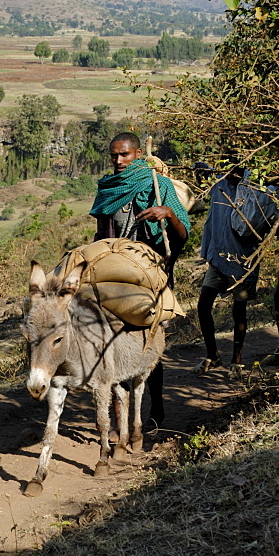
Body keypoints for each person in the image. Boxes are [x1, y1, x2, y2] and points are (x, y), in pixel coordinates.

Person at [90, 132, 191, 428]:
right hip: (113, 273)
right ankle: (119, 417)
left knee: (150, 338)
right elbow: (100, 233)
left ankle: (156, 406)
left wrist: (168, 213)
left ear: (137, 154)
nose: (119, 161)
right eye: (114, 156)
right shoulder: (108, 188)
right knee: (106, 339)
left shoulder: (155, 184)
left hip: (149, 273)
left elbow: (182, 233)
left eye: (125, 155)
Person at [193, 158, 278, 377]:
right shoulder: (218, 185)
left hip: (242, 262)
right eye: (228, 167)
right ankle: (213, 355)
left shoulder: (254, 191)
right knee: (203, 306)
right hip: (218, 258)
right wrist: (201, 166)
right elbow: (204, 170)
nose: (232, 172)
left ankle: (237, 361)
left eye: (236, 168)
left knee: (239, 310)